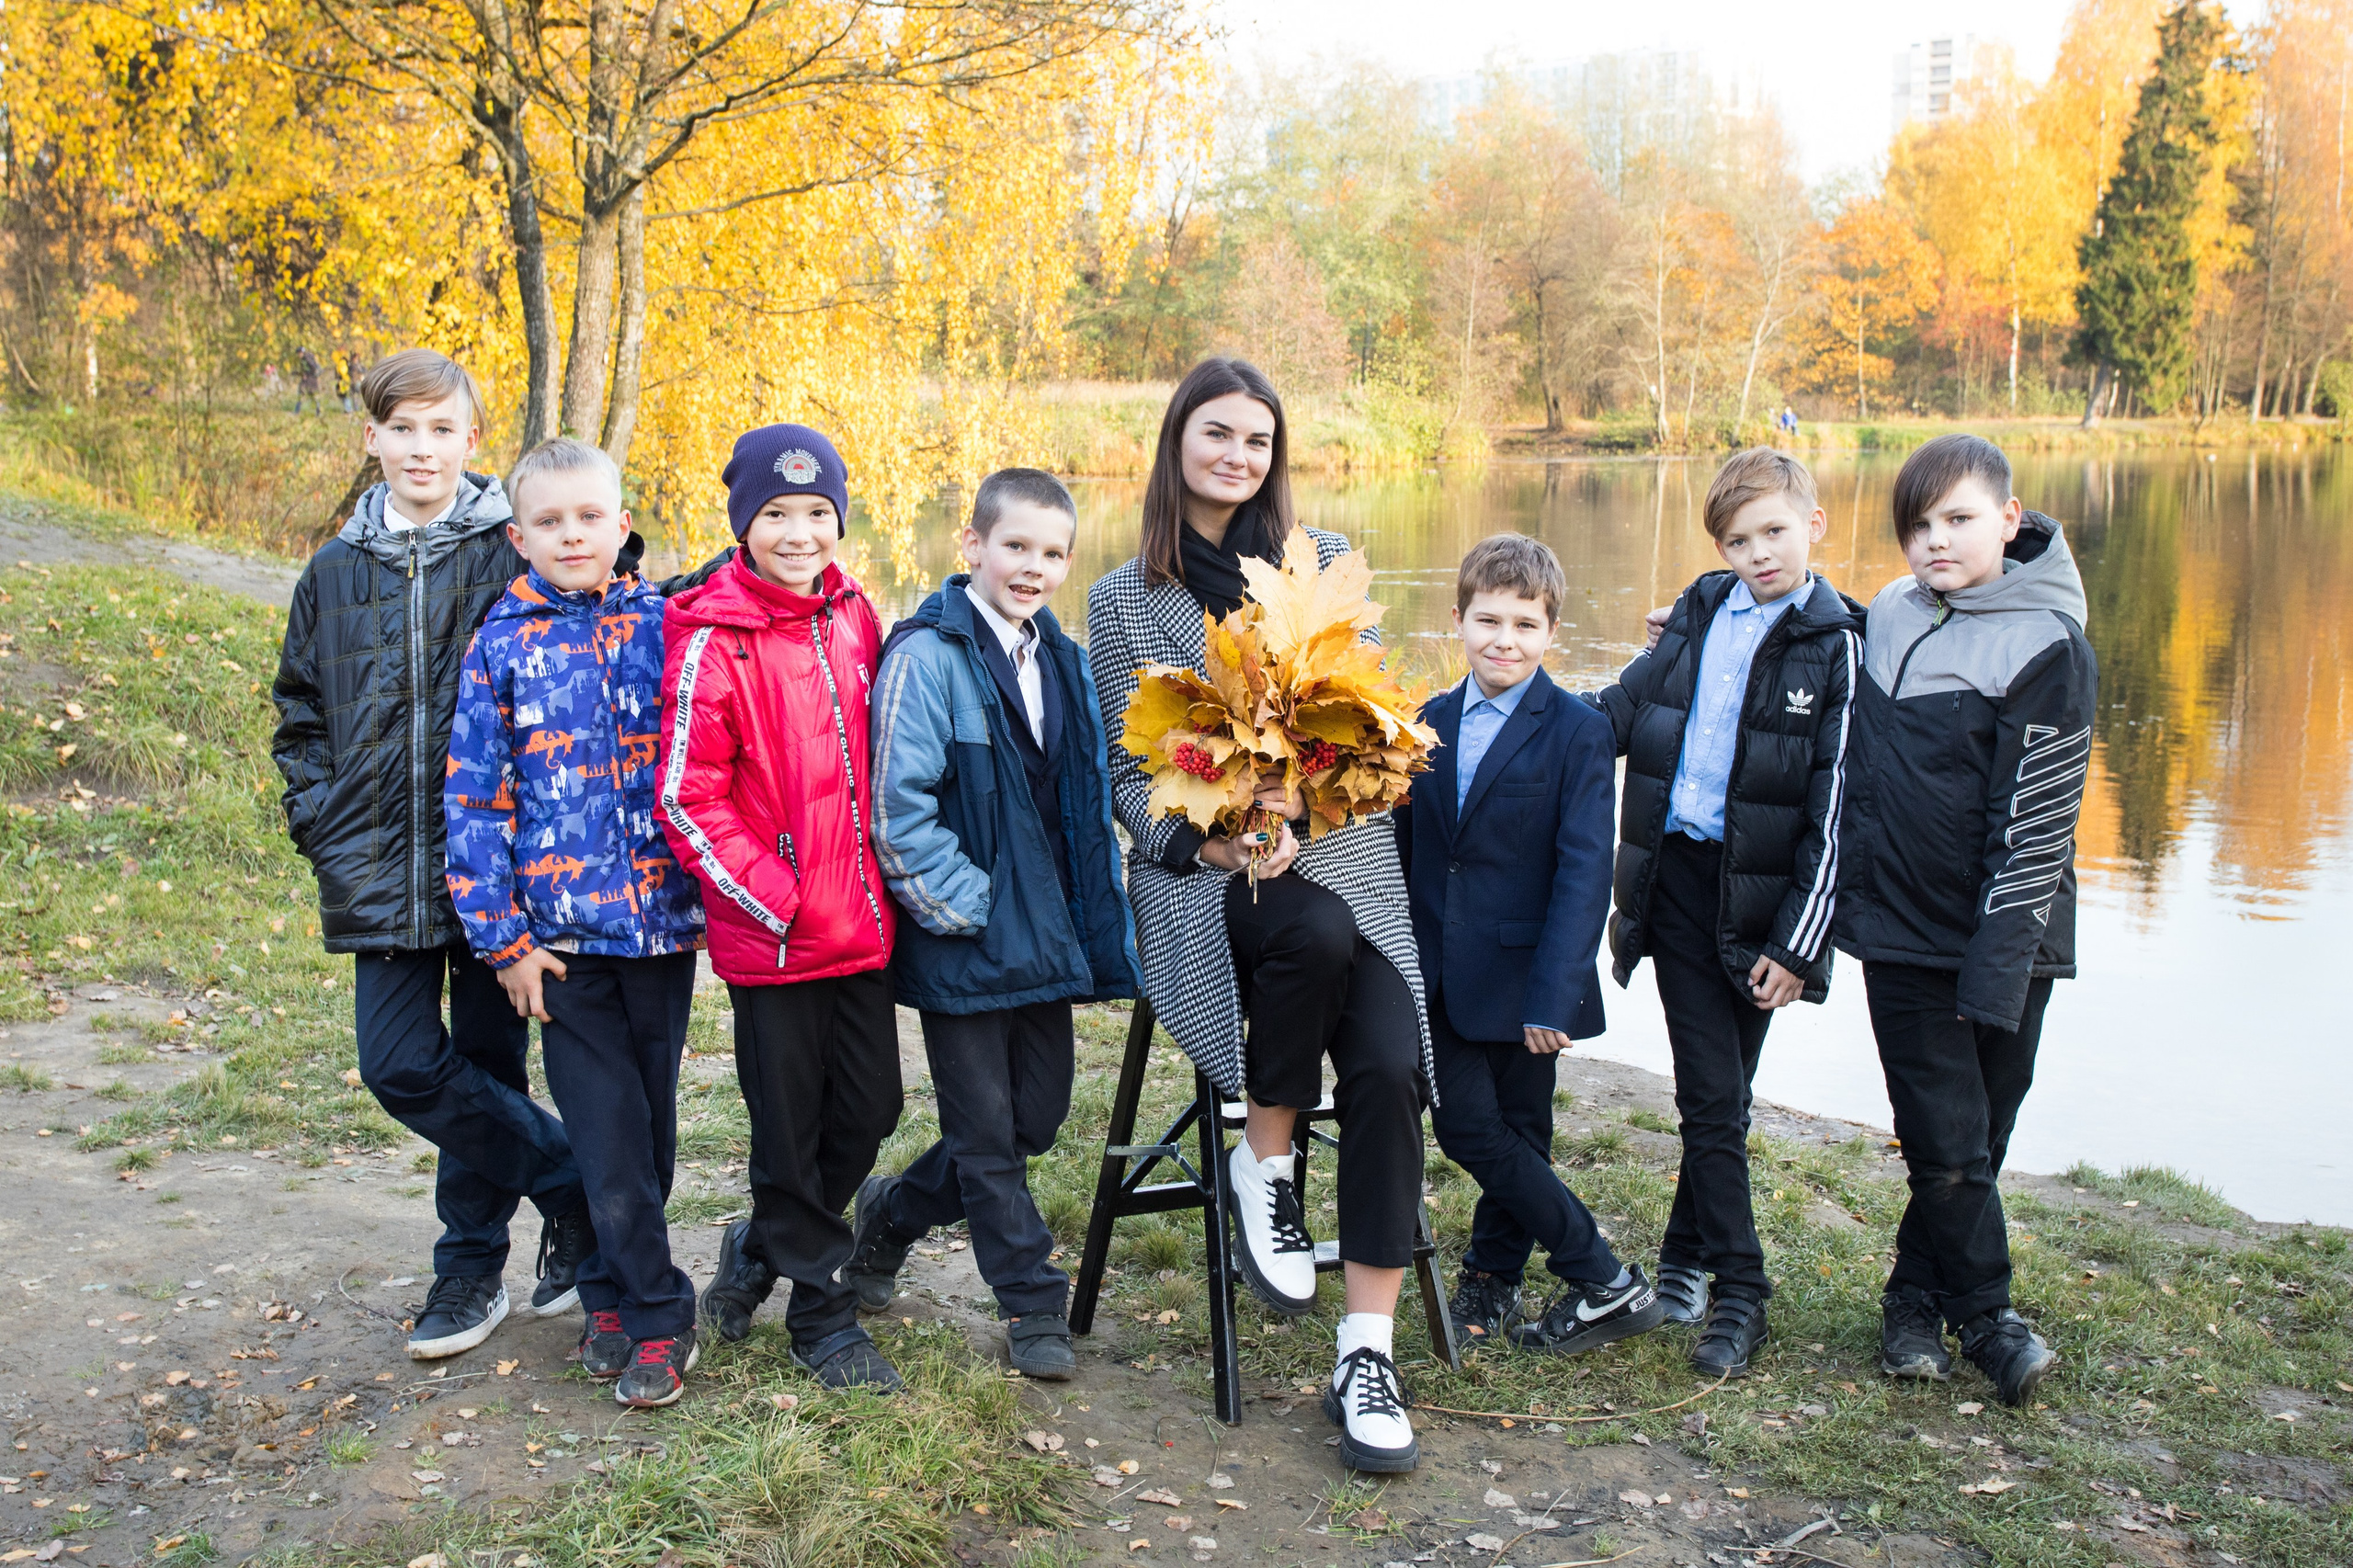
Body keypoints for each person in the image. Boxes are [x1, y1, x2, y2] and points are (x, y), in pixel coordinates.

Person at [1088, 358, 1432, 1474]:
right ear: (1175, 438)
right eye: (1216, 433)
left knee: (1385, 1059)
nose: (1238, 456)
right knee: (1311, 937)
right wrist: (1217, 835)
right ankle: (1264, 1160)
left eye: (1257, 440)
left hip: (1338, 855)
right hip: (1203, 881)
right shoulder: (1120, 599)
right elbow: (1127, 778)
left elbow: (1371, 728)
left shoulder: (1317, 563)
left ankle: (1365, 1349)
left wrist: (1309, 782)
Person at [270, 349, 596, 1359]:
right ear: (371, 438)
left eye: (441, 429)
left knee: (490, 1058)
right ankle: (571, 1180)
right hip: (379, 864)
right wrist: (319, 813)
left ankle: (467, 1273)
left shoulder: (511, 549)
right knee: (403, 1063)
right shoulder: (333, 571)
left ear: (470, 439)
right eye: (401, 429)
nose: (421, 448)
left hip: (495, 863)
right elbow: (300, 711)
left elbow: (588, 641)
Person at [845, 468, 1141, 1380]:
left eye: (1052, 552)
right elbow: (897, 810)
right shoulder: (927, 655)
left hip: (1041, 934)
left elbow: (1082, 799)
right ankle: (1032, 1300)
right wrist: (967, 909)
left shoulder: (1063, 656)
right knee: (984, 1130)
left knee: (1035, 1119)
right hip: (963, 932)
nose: (1032, 566)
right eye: (1015, 545)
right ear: (970, 544)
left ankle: (890, 1212)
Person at [1584, 448, 1861, 1378]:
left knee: (1722, 1097)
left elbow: (1836, 804)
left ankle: (1683, 1266)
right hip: (1678, 883)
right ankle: (1740, 1289)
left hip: (1764, 904)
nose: (1759, 554)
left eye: (1775, 532)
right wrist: (1503, 711)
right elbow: (1617, 714)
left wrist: (1798, 943)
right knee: (1709, 1093)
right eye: (1738, 541)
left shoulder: (1836, 643)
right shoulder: (1701, 610)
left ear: (1813, 525)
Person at [443, 437, 707, 1407]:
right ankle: (655, 1313)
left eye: (588, 517)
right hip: (561, 947)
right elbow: (475, 803)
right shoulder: (499, 645)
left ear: (620, 524)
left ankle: (603, 1279)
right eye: (548, 522)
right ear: (519, 536)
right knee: (604, 1137)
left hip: (662, 935)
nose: (570, 535)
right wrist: (505, 939)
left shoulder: (667, 623)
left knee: (651, 1135)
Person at [1835, 434, 2096, 1407]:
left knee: (1972, 1138)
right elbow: (1822, 634)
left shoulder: (2048, 643)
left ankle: (1910, 1301)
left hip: (2008, 937)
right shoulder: (1896, 612)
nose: (1935, 540)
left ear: (2008, 519)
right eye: (1918, 524)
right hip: (1901, 930)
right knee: (1944, 1138)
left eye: (1958, 519)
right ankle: (1988, 1317)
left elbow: (2034, 823)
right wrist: (1695, 624)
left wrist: (1992, 976)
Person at [660, 423, 906, 1392]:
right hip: (778, 938)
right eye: (776, 514)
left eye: (816, 513)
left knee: (872, 1104)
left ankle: (761, 1245)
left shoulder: (856, 614)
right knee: (789, 1125)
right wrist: (780, 899)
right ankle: (822, 1313)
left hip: (863, 926)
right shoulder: (714, 640)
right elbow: (688, 795)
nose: (799, 533)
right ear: (744, 523)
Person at [1401, 534, 1664, 1358]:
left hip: (1526, 975)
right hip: (1436, 970)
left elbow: (1584, 872)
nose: (1503, 639)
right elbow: (1410, 851)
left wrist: (1557, 993)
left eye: (1524, 623)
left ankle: (1495, 1273)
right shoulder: (1423, 723)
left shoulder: (1578, 732)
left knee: (1522, 1126)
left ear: (1552, 631)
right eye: (1487, 620)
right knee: (1469, 1129)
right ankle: (1602, 1273)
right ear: (1458, 620)